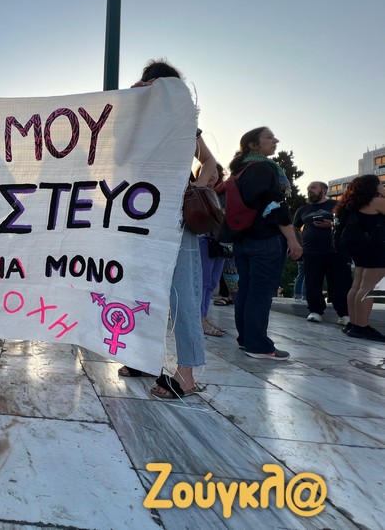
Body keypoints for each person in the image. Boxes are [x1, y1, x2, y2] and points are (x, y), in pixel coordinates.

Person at [117, 59, 216, 399]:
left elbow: (210, 162)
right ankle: (144, 357)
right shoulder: (133, 117)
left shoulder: (184, 121)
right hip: (138, 212)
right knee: (140, 287)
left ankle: (188, 371)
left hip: (173, 213)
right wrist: (130, 104)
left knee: (182, 290)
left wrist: (194, 190)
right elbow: (114, 157)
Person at [227, 127, 302, 359]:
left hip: (242, 239)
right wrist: (292, 239)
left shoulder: (239, 171)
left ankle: (246, 339)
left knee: (247, 290)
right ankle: (258, 345)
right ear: (253, 145)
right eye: (269, 137)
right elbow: (274, 207)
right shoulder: (266, 168)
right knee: (260, 293)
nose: (275, 140)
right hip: (265, 240)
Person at [333, 174, 385, 341]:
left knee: (357, 286)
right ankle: (362, 327)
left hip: (359, 248)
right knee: (368, 288)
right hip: (376, 247)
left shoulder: (351, 204)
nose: (383, 186)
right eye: (380, 184)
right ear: (373, 187)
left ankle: (354, 324)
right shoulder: (375, 201)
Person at [292, 181, 352, 325]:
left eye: (313, 188)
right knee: (312, 282)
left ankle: (344, 314)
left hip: (336, 251)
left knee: (340, 284)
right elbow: (294, 228)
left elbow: (349, 223)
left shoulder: (338, 205)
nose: (309, 190)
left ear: (324, 190)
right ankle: (315, 311)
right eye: (308, 188)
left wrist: (331, 225)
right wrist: (299, 245)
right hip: (311, 251)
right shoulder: (303, 210)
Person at [198, 163, 228, 337]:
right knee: (202, 282)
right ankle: (199, 319)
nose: (212, 175)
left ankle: (204, 316)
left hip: (219, 242)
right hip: (203, 239)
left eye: (215, 171)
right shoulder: (196, 191)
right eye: (208, 171)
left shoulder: (221, 193)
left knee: (212, 282)